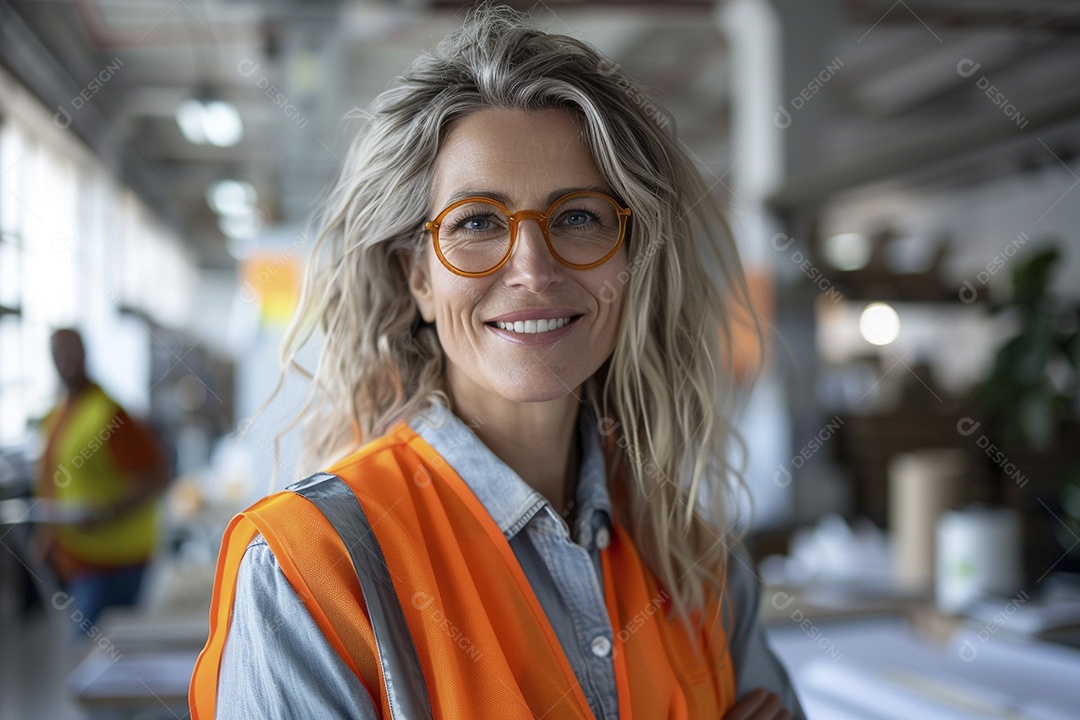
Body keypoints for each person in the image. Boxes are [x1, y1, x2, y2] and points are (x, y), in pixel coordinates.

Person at [190, 5, 804, 719]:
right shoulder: (311, 571)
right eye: (478, 222)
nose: (534, 270)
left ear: (631, 262)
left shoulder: (696, 561)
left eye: (578, 216)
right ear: (417, 276)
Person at [36, 328, 169, 627]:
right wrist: (48, 536)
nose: (66, 360)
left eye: (73, 352)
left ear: (86, 353)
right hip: (79, 560)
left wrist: (106, 513)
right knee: (88, 654)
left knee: (97, 655)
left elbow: (154, 478)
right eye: (59, 353)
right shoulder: (59, 415)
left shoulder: (111, 415)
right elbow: (55, 482)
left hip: (115, 562)